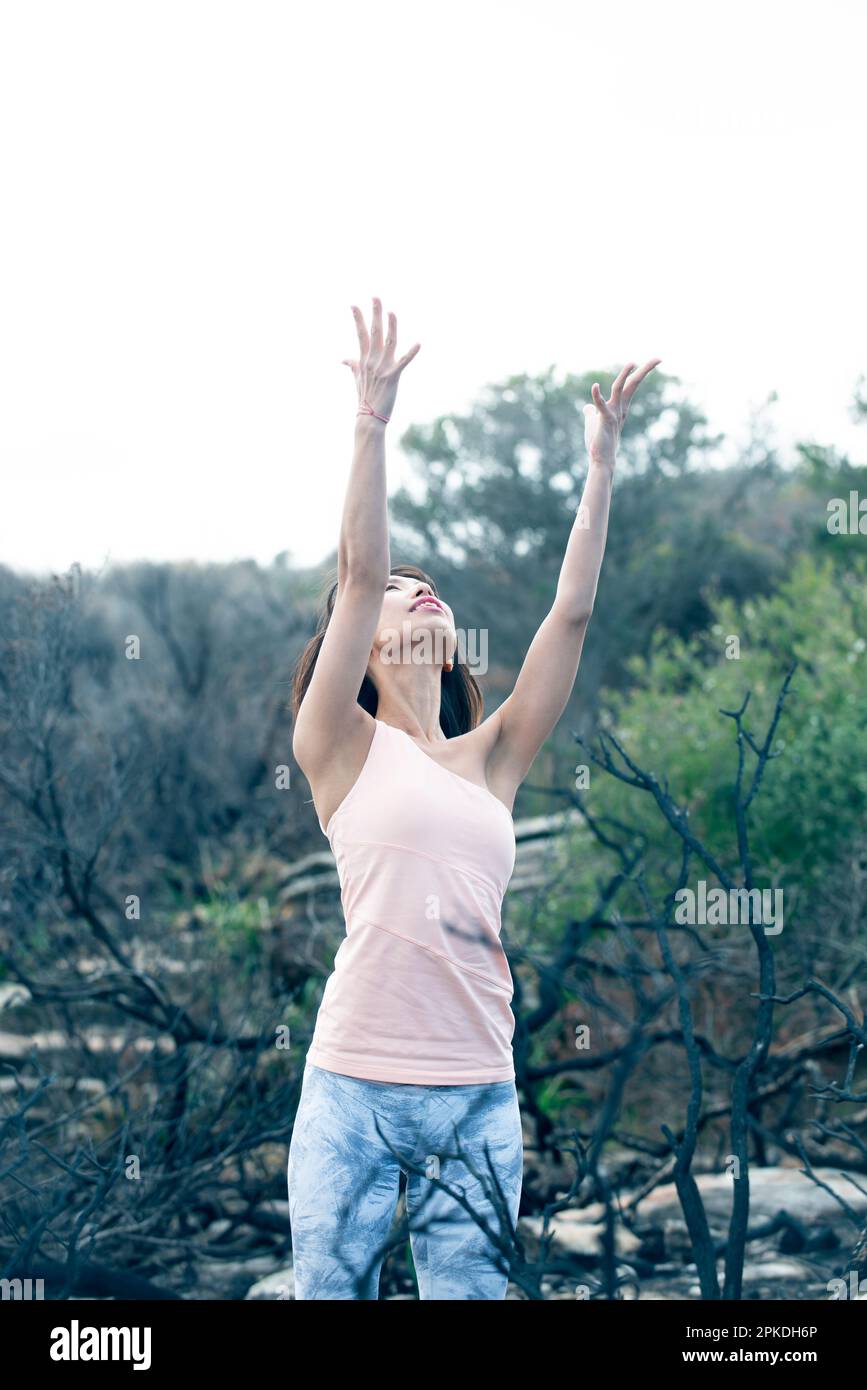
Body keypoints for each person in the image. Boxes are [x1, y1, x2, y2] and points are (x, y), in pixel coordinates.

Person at [287, 296, 660, 1299]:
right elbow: (360, 571)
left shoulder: (491, 760)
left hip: (475, 1092)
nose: (422, 592)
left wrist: (601, 468)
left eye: (428, 589)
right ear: (356, 642)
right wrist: (371, 426)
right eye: (406, 593)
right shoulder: (339, 745)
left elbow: (571, 613)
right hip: (351, 1087)